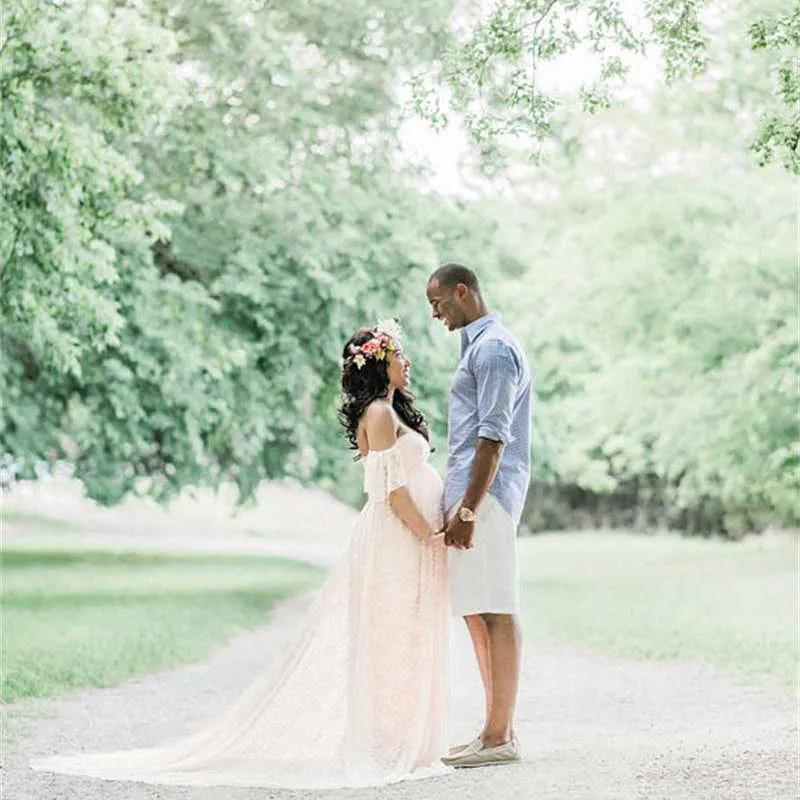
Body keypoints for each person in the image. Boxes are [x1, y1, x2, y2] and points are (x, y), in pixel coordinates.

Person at [31, 320, 452, 789]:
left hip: (402, 537)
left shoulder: (389, 410)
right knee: (389, 634)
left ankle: (398, 736)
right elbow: (392, 491)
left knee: (402, 633)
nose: (407, 362)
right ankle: (386, 740)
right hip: (397, 537)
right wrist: (430, 533)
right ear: (379, 362)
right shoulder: (377, 412)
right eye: (399, 355)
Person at [426, 264, 532, 769]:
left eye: (439, 303)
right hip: (471, 494)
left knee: (496, 609)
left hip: (484, 496)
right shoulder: (479, 348)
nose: (435, 313)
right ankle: (495, 731)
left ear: (462, 292)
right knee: (476, 609)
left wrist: (468, 506)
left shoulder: (493, 349)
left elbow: (494, 435)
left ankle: (498, 738)